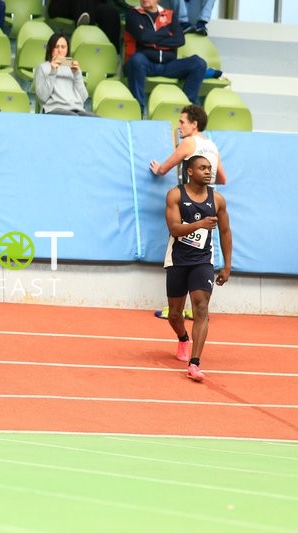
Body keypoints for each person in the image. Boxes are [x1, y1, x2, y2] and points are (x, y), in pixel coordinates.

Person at [150, 104, 225, 320]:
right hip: (208, 204)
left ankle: (177, 308)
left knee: (178, 257)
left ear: (194, 124)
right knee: (202, 256)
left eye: (182, 122)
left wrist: (158, 169)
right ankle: (196, 309)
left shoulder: (189, 143)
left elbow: (165, 168)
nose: (179, 126)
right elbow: (222, 178)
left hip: (187, 205)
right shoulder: (212, 146)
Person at [163, 154, 231, 382]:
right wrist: (200, 224)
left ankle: (194, 363)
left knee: (201, 308)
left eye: (210, 168)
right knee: (174, 314)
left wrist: (227, 265)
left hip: (203, 261)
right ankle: (183, 338)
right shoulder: (175, 195)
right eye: (203, 168)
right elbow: (174, 229)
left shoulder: (217, 200)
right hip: (178, 260)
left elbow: (225, 232)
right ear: (190, 171)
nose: (208, 171)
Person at [123, 0, 207, 113]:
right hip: (144, 63)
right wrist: (166, 34)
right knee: (136, 60)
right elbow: (143, 37)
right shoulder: (132, 13)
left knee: (198, 63)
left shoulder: (170, 15)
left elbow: (180, 40)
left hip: (168, 65)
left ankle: (187, 110)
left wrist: (152, 41)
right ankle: (138, 109)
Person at [35, 32, 98, 117]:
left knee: (97, 119)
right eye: (56, 47)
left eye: (63, 47)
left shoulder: (72, 68)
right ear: (50, 49)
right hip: (54, 109)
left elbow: (83, 97)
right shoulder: (43, 67)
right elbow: (42, 97)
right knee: (73, 118)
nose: (60, 50)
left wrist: (77, 74)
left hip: (77, 109)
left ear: (67, 49)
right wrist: (53, 72)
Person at [46, 0, 125, 50]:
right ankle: (86, 29)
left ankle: (110, 54)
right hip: (63, 4)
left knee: (111, 14)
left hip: (91, 4)